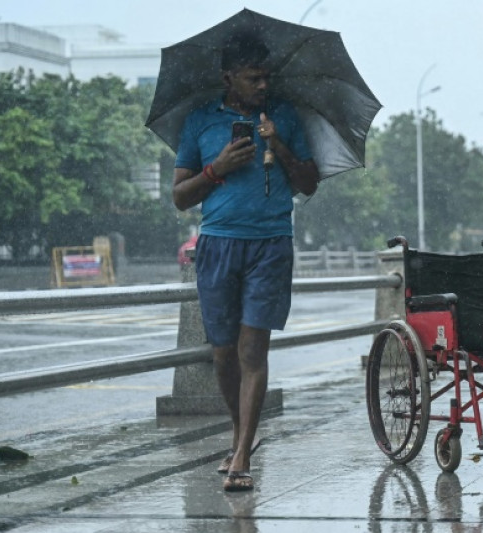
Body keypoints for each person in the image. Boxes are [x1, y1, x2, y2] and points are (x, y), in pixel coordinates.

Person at [172, 34, 320, 492]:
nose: (263, 85)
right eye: (253, 78)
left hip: (270, 245)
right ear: (228, 78)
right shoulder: (200, 121)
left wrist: (281, 145)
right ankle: (242, 434)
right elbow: (180, 197)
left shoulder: (283, 117)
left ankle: (241, 456)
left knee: (253, 351)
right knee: (223, 354)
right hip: (218, 244)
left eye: (266, 77)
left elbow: (309, 184)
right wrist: (217, 168)